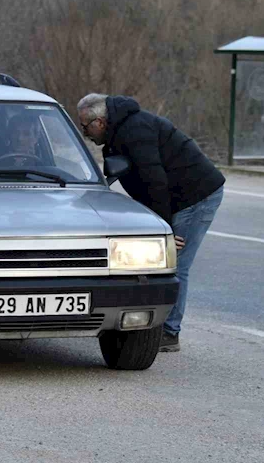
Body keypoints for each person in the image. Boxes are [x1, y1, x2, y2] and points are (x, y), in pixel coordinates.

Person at [76, 93, 225, 352]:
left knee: (175, 264)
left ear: (99, 122)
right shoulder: (119, 132)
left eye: (85, 126)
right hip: (178, 196)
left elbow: (154, 180)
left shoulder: (134, 131)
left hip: (197, 196)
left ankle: (169, 333)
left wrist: (163, 231)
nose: (85, 132)